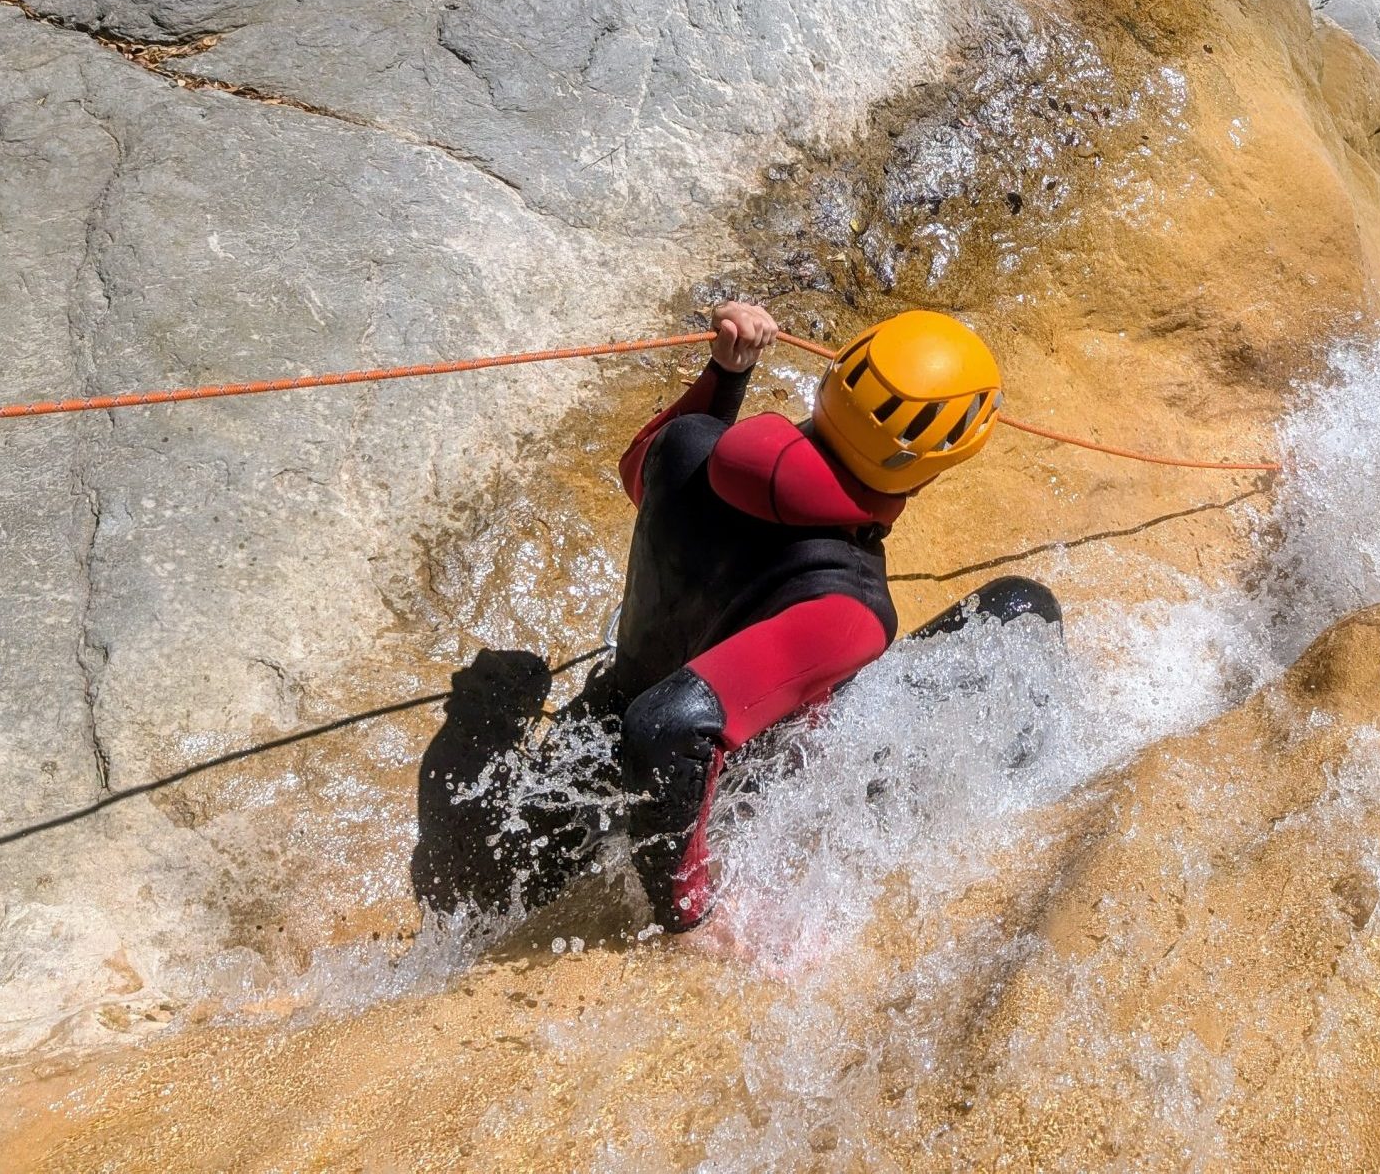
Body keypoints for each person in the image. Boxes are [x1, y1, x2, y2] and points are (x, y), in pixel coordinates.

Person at [411, 301, 1058, 931]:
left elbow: (639, 469)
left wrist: (726, 373)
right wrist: (693, 910)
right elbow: (668, 726)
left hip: (599, 736)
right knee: (1025, 609)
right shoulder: (850, 608)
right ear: (924, 476)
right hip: (726, 797)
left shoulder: (687, 443)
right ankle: (1038, 794)